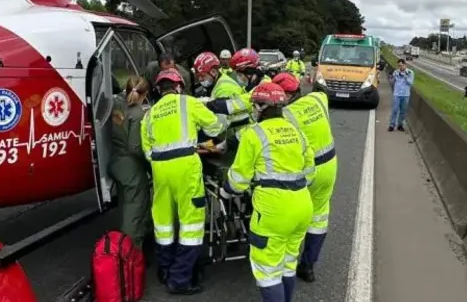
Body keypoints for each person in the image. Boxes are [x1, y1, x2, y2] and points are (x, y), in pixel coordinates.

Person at [220, 82, 315, 302]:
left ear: (262, 107)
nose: (253, 109)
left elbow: (239, 180)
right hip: (302, 206)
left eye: (255, 105)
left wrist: (226, 192)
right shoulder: (296, 131)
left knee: (267, 272)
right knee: (287, 265)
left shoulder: (254, 134)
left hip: (273, 212)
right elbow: (310, 172)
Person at [141, 69, 229, 295]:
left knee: (163, 221)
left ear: (160, 90)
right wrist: (202, 142)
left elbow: (148, 151)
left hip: (160, 169)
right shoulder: (187, 102)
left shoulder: (150, 113)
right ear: (179, 86)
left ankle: (165, 269)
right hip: (186, 168)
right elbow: (216, 127)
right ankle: (180, 279)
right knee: (191, 223)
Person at [271, 72, 336, 283]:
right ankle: (308, 267)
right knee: (319, 218)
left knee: (291, 214)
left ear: (287, 95)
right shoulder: (317, 99)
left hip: (306, 171)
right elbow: (323, 90)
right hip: (329, 166)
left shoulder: (286, 115)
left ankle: (283, 264)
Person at [108, 76, 152, 250]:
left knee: (124, 207)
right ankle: (131, 253)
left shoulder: (118, 107)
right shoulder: (138, 114)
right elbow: (135, 148)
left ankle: (120, 245)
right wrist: (150, 164)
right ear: (145, 94)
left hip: (116, 162)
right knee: (135, 209)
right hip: (131, 167)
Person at [388, 59, 414, 132]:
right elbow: (392, 82)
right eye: (398, 66)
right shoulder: (396, 72)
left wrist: (405, 77)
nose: (400, 67)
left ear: (405, 65)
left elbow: (411, 83)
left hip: (405, 94)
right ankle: (392, 125)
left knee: (403, 110)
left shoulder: (410, 72)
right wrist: (392, 77)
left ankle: (400, 125)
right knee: (395, 110)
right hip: (397, 94)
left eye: (401, 66)